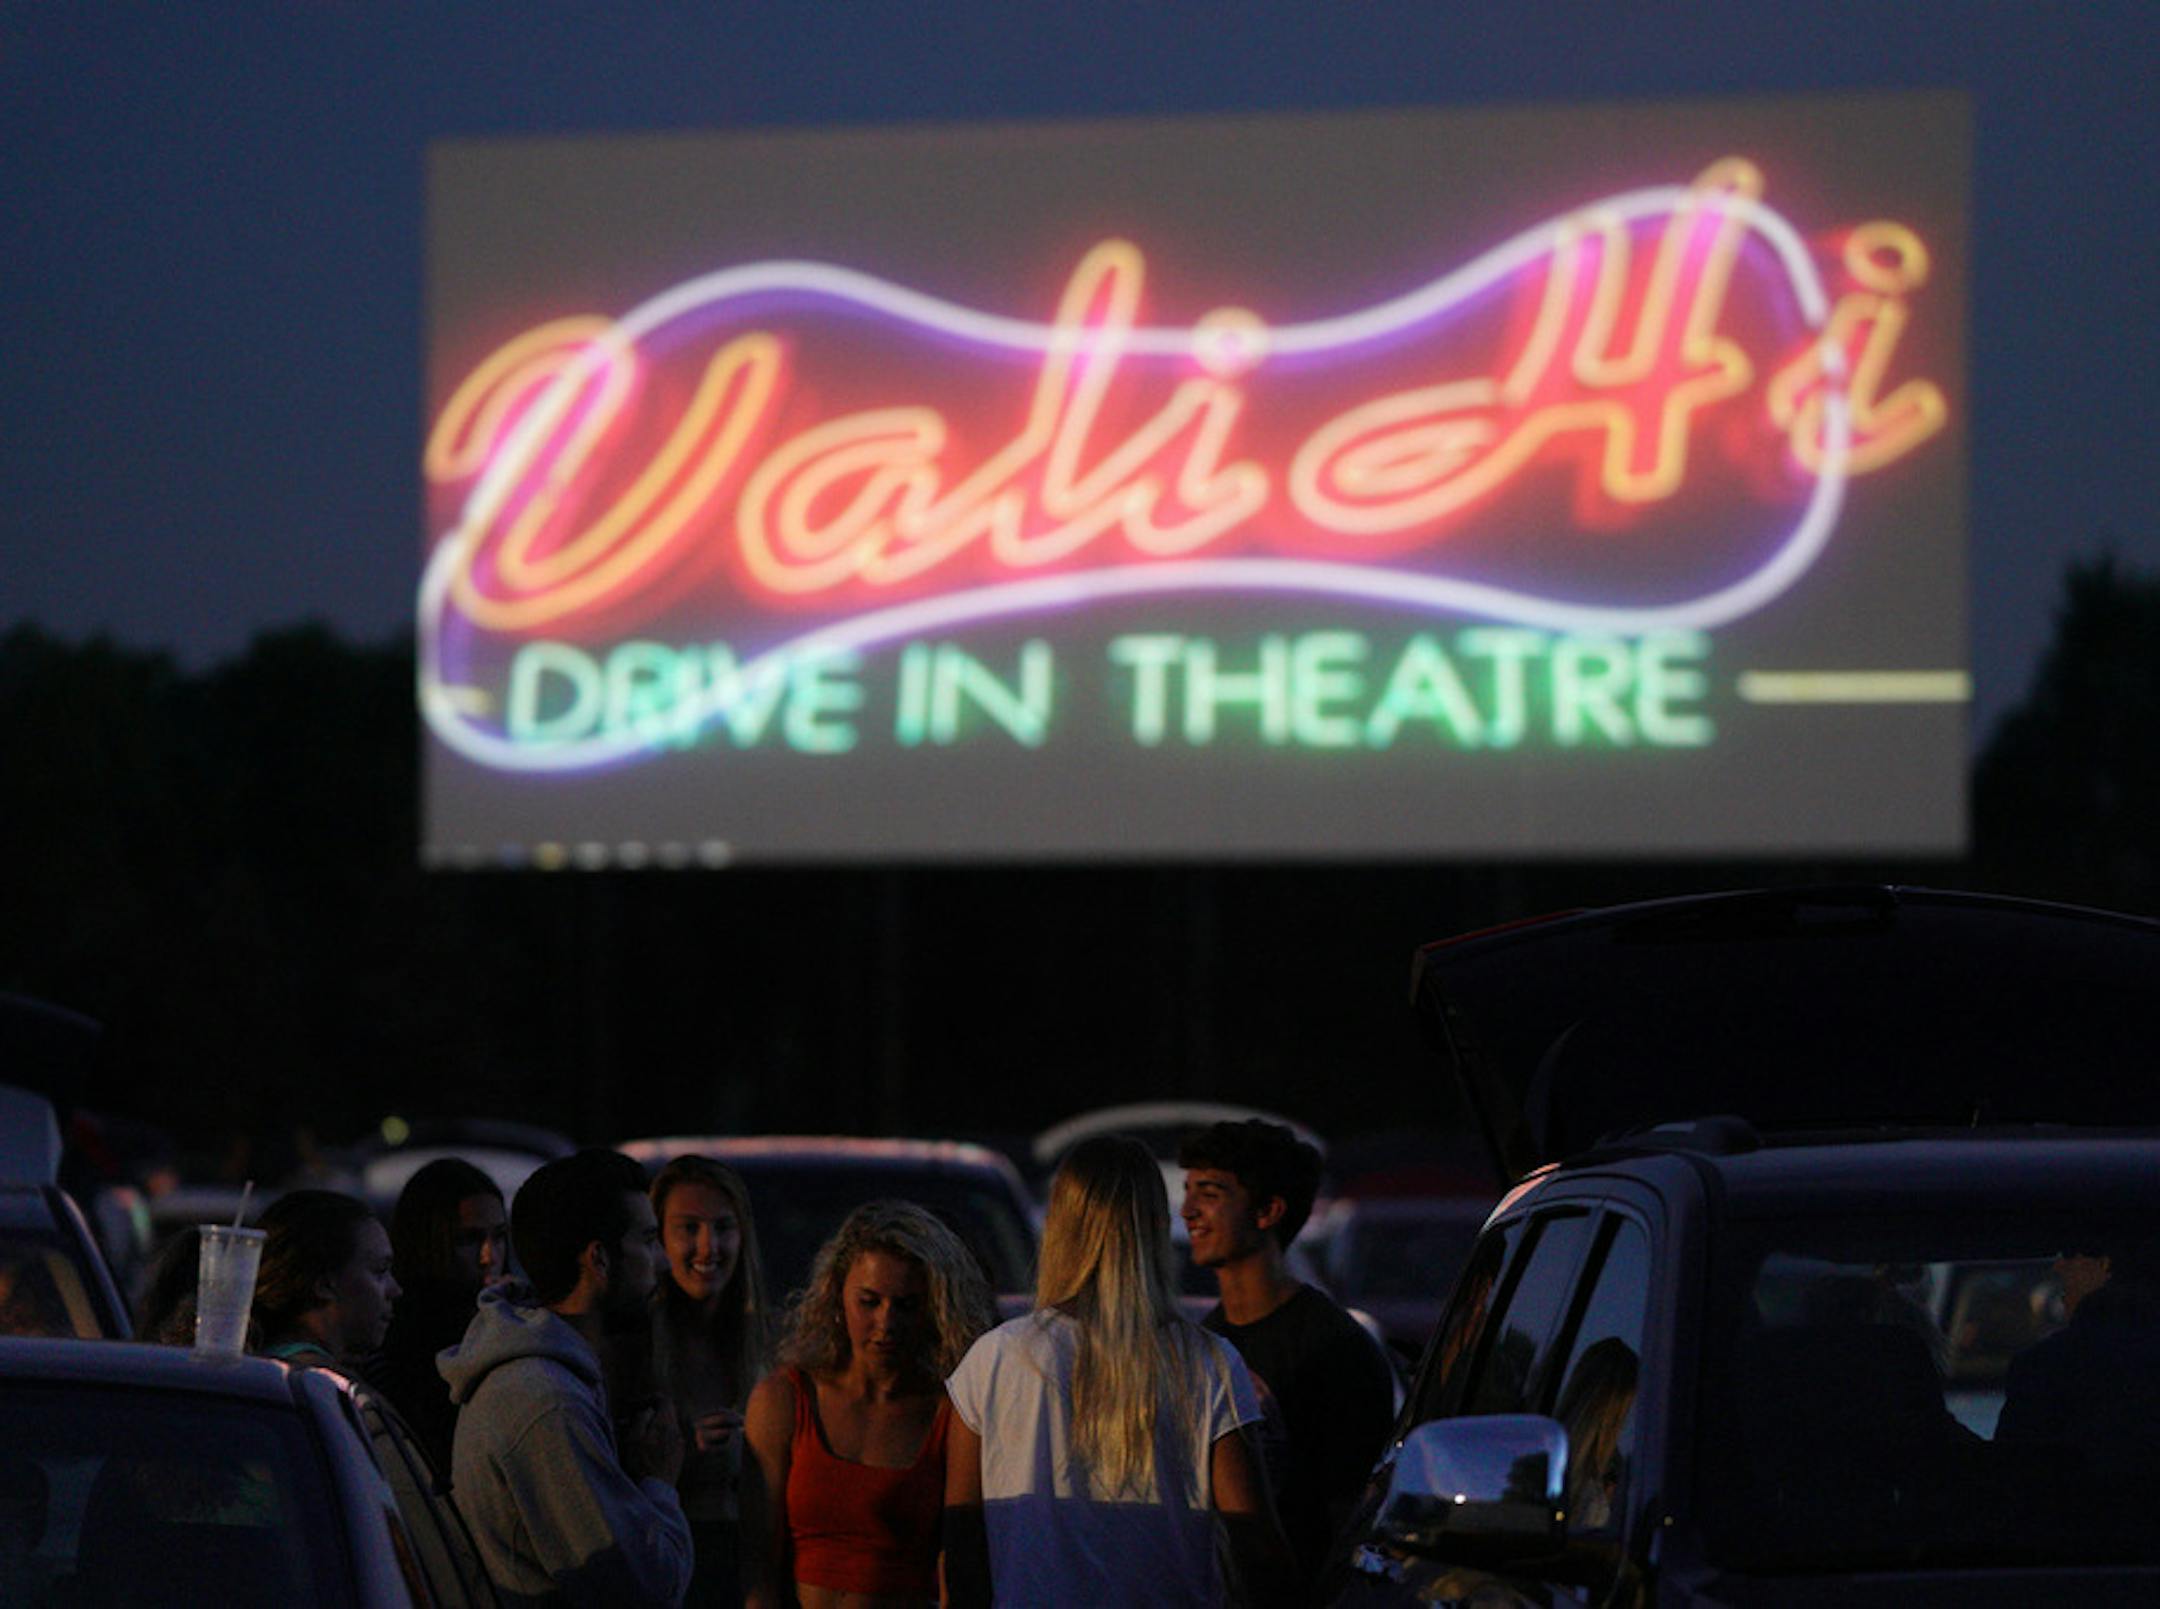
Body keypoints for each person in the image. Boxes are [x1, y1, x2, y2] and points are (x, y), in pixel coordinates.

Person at [945, 1134, 1288, 1607]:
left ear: (1059, 1227)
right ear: (1154, 1228)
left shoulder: (995, 1358)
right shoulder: (1210, 1362)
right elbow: (1256, 1545)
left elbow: (962, 1538)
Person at [440, 1148, 693, 1607]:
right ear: (599, 1259)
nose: (662, 1261)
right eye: (648, 1240)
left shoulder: (547, 1379)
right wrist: (659, 1482)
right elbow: (643, 1590)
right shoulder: (548, 1403)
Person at [743, 1200, 992, 1609]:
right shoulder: (784, 1399)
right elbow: (758, 1567)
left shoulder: (951, 1413)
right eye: (869, 1301)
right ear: (837, 1294)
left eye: (907, 1305)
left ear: (932, 1309)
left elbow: (961, 1568)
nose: (887, 1324)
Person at [1177, 1119, 1394, 1589]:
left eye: (1210, 1193)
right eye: (1189, 1191)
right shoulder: (1205, 1343)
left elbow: (1351, 1514)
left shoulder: (1335, 1346)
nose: (1188, 1211)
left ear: (1268, 1210)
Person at [652, 1156, 770, 1608]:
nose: (709, 1246)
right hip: (672, 1563)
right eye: (688, 1228)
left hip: (752, 1564)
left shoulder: (770, 1343)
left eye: (724, 1226)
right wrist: (682, 1448)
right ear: (658, 1237)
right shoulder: (635, 1347)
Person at [366, 1157, 511, 1475]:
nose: (490, 1256)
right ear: (428, 1242)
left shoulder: (511, 1318)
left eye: (499, 1236)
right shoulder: (395, 1340)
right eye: (469, 1240)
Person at [251, 1189, 401, 1369]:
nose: (396, 1290)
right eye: (380, 1271)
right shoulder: (327, 1386)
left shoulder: (256, 1367)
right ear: (325, 1285)